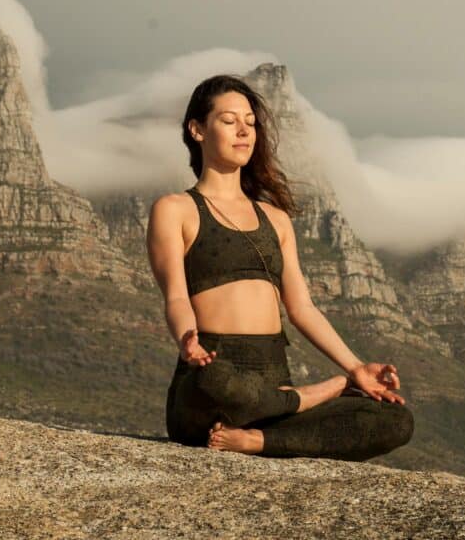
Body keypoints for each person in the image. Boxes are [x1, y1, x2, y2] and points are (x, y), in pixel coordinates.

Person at [146, 74, 414, 460]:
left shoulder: (275, 219)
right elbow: (175, 295)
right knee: (214, 381)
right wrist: (188, 341)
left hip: (273, 381)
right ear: (197, 129)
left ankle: (256, 440)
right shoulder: (175, 210)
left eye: (250, 122)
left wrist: (356, 368)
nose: (244, 131)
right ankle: (322, 391)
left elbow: (302, 309)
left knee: (394, 420)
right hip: (214, 372)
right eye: (229, 121)